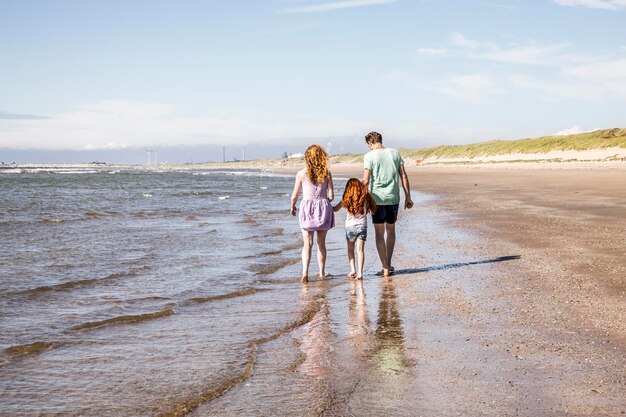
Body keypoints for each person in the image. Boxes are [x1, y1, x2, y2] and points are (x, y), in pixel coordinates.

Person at [362, 131, 413, 277]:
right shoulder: (395, 153)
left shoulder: (369, 156)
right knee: (391, 230)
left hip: (377, 199)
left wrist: (362, 200)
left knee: (379, 233)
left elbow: (365, 181)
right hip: (393, 198)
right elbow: (403, 175)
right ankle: (388, 264)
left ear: (371, 143)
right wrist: (408, 197)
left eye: (368, 145)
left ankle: (384, 266)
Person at [290, 144, 335, 282]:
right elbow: (331, 195)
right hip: (322, 208)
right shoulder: (326, 173)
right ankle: (321, 273)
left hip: (307, 209)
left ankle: (305, 273)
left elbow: (294, 195)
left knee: (307, 244)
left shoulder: (301, 173)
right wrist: (324, 201)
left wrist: (292, 206)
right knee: (321, 244)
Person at [333, 178, 377, 280]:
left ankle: (353, 270)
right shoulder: (365, 197)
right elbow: (373, 208)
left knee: (350, 249)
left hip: (350, 227)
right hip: (362, 226)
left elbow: (335, 209)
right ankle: (360, 273)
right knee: (360, 250)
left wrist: (327, 206)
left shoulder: (346, 199)